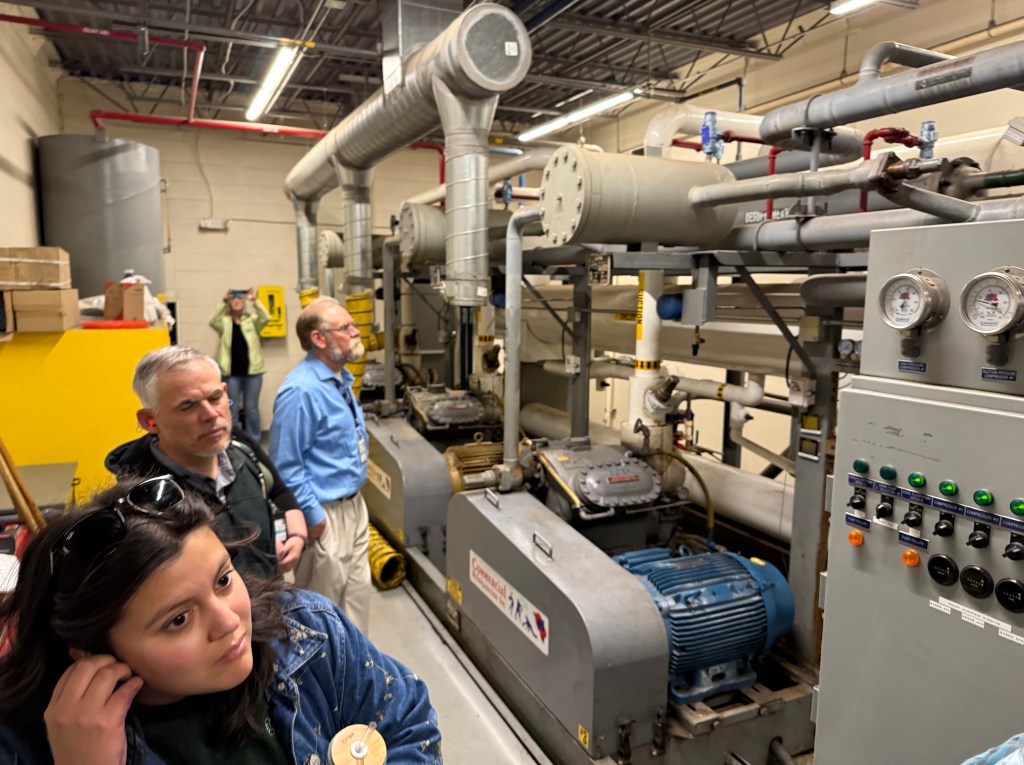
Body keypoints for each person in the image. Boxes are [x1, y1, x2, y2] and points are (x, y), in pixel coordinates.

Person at [0, 477, 443, 764]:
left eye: (223, 580)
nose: (229, 621)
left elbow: (407, 723)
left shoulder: (308, 633)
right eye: (178, 619)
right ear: (93, 651)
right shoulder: (28, 741)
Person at [106, 346, 307, 580]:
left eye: (215, 398)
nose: (211, 414)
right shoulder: (143, 508)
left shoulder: (242, 453)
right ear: (150, 420)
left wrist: (290, 536)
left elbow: (278, 492)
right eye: (187, 406)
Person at [271, 297, 372, 633]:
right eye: (346, 328)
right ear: (318, 338)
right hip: (325, 512)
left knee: (356, 602)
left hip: (354, 506)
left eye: (353, 325)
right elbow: (285, 466)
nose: (356, 332)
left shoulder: (339, 380)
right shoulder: (301, 391)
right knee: (322, 613)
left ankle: (358, 663)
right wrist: (314, 518)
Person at [210, 287, 271, 443]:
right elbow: (212, 320)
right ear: (229, 303)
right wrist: (223, 301)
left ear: (244, 303)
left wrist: (255, 300)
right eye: (233, 299)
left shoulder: (252, 321)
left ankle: (254, 441)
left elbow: (266, 317)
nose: (237, 301)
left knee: (252, 409)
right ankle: (233, 441)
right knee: (232, 408)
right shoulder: (224, 322)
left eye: (240, 299)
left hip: (253, 373)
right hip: (232, 375)